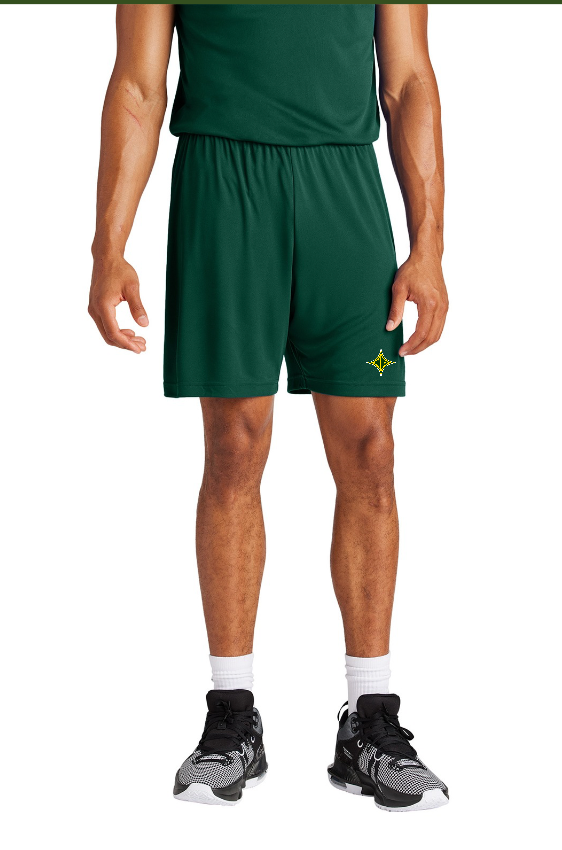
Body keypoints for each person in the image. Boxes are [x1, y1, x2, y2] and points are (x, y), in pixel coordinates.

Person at [89, 4, 449, 812]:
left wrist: (428, 245)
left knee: (371, 451)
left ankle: (370, 718)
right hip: (223, 184)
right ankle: (231, 718)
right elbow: (139, 85)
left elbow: (408, 80)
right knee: (235, 444)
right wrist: (109, 246)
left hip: (343, 187)